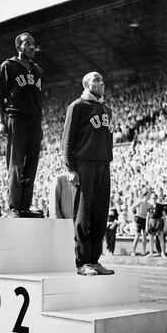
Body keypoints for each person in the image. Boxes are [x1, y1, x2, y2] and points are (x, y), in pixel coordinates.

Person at [62, 71, 114, 276]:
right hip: (84, 165)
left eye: (102, 79)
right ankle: (82, 262)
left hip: (103, 165)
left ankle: (94, 260)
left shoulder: (106, 108)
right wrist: (70, 168)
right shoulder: (77, 106)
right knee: (83, 214)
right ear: (86, 84)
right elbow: (67, 140)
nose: (101, 82)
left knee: (100, 214)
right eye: (96, 80)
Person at [0, 32, 43, 218]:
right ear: (18, 47)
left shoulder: (38, 70)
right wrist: (1, 121)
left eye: (33, 43)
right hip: (17, 119)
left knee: (31, 165)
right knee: (15, 165)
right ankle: (14, 207)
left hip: (35, 121)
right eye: (27, 43)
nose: (31, 47)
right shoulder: (8, 66)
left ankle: (25, 207)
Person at [145, 193, 167, 257]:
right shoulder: (149, 206)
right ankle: (151, 252)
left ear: (157, 199)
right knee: (151, 238)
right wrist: (146, 225)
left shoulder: (161, 206)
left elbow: (164, 216)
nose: (154, 199)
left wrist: (165, 225)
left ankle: (162, 252)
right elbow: (147, 217)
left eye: (155, 198)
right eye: (152, 198)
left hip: (159, 221)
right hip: (151, 221)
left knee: (161, 237)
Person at [131, 190, 152, 256]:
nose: (150, 196)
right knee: (137, 236)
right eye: (149, 195)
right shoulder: (140, 201)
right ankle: (133, 251)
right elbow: (133, 208)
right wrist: (134, 215)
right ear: (146, 195)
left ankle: (144, 251)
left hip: (145, 219)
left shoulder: (149, 204)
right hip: (139, 219)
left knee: (144, 236)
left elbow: (153, 208)